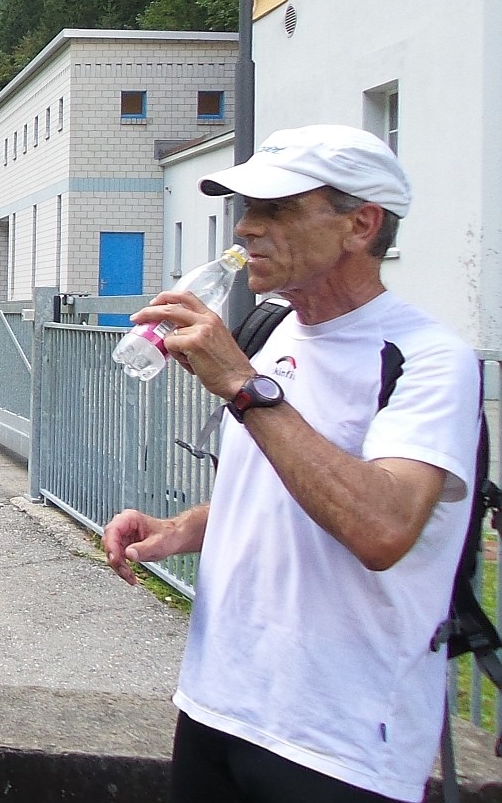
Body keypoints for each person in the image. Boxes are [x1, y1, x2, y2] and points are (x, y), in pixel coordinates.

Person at [101, 125, 478, 803]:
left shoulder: (427, 357)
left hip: (339, 739)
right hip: (217, 703)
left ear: (361, 224)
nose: (247, 226)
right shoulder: (269, 330)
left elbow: (382, 528)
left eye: (276, 209)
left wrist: (244, 386)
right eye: (248, 207)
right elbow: (277, 491)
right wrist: (180, 529)